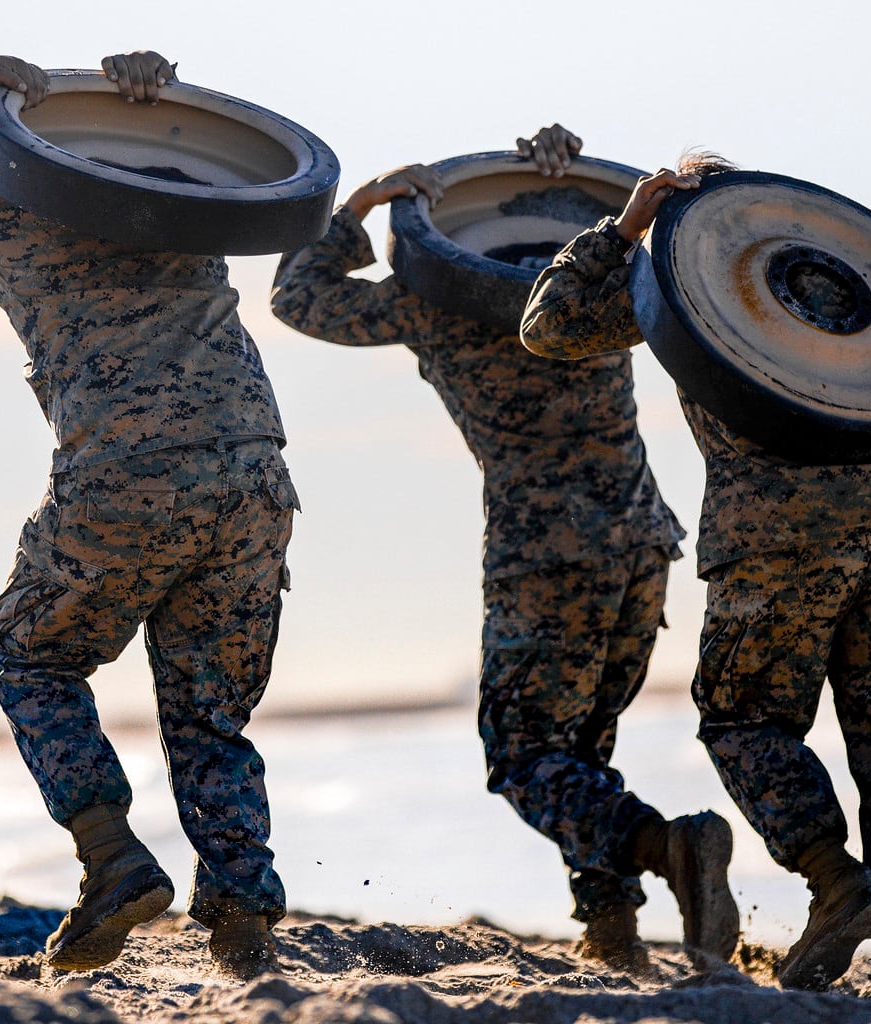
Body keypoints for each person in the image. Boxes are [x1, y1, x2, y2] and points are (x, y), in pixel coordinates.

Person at [0, 49, 298, 978]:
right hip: (252, 469)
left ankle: (113, 860)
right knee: (211, 710)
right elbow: (258, 175)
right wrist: (156, 105)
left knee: (30, 657)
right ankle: (241, 912)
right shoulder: (170, 187)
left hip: (123, 469)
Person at [518, 151, 871, 1002]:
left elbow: (549, 326)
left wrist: (625, 228)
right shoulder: (834, 271)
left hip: (777, 539)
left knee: (744, 721)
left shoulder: (688, 285)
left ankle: (836, 881)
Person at [270, 127, 738, 974]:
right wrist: (553, 172)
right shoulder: (602, 298)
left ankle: (667, 847)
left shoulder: (431, 304)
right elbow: (650, 237)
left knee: (525, 756)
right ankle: (612, 930)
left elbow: (299, 296)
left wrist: (367, 203)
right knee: (581, 749)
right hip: (642, 541)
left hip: (543, 550)